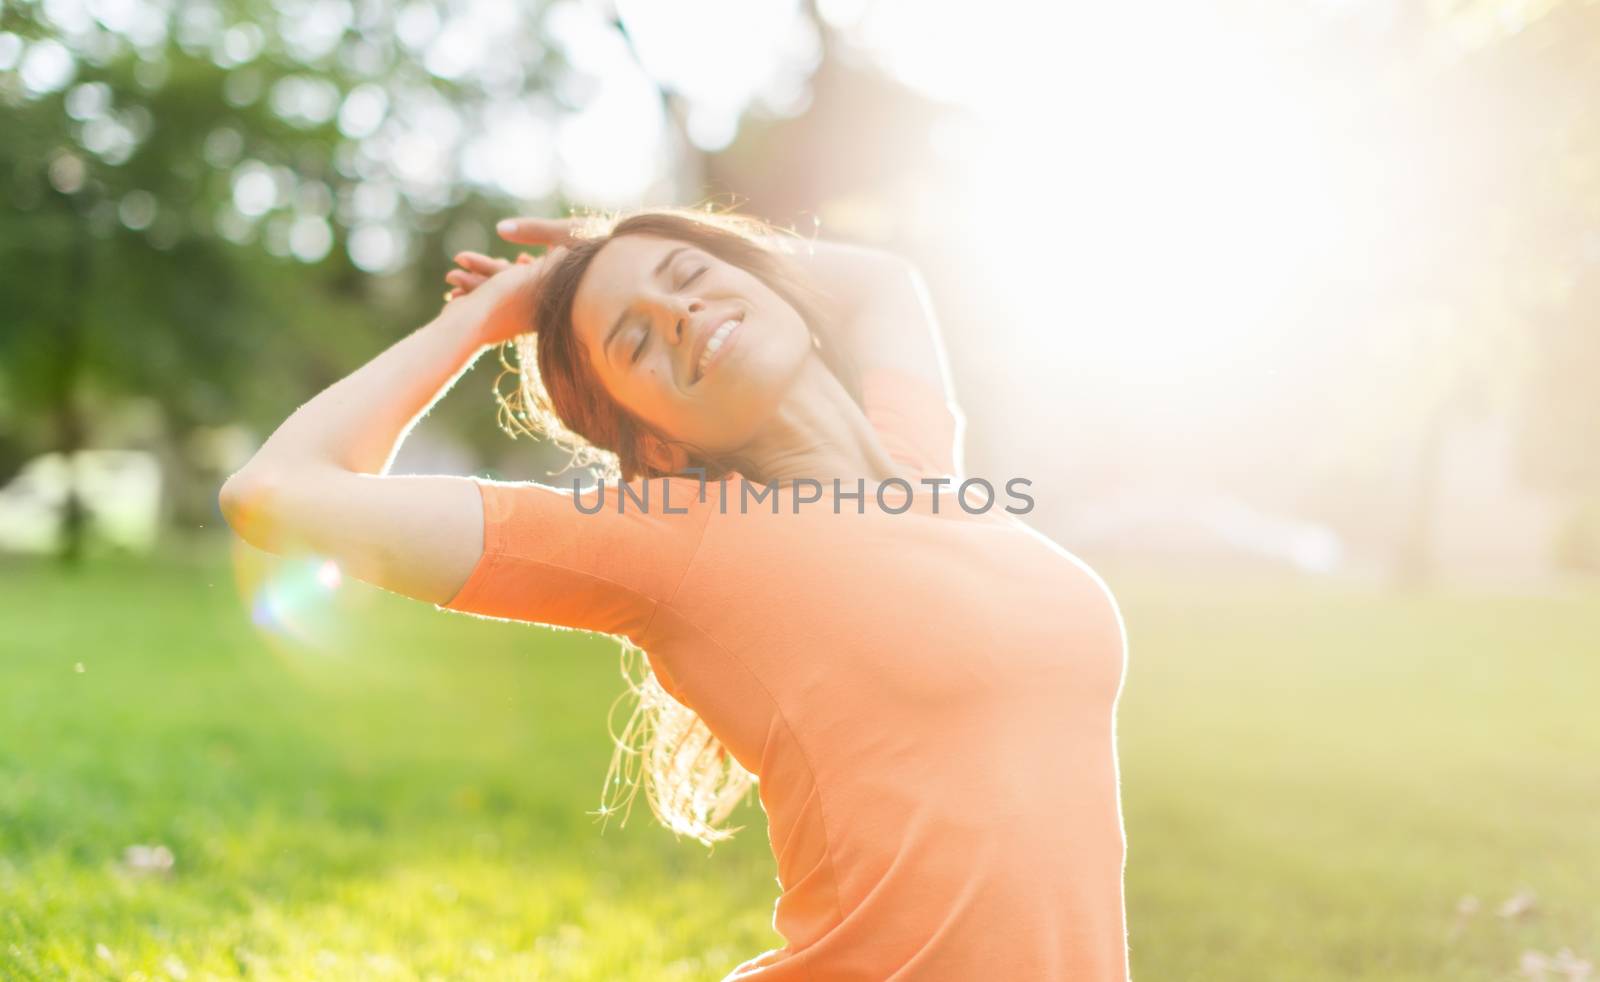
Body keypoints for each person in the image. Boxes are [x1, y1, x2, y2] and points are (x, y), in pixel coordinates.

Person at [220, 206, 1131, 980]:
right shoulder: (671, 539)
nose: (679, 313)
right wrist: (490, 315)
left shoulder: (919, 463)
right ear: (652, 444)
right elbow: (272, 493)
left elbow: (884, 281)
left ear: (780, 292)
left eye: (690, 276)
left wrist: (604, 241)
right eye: (636, 338)